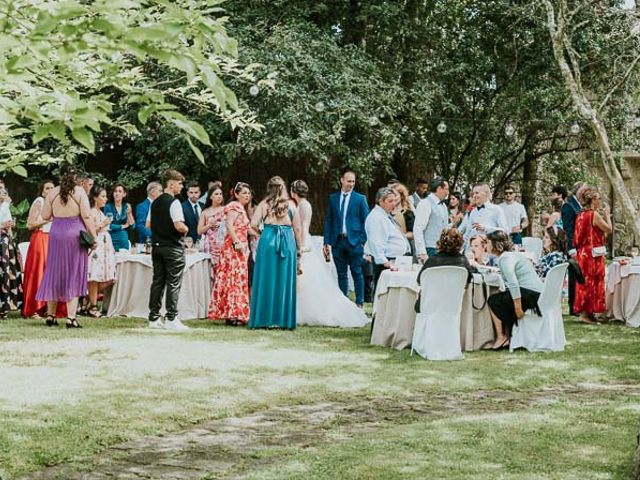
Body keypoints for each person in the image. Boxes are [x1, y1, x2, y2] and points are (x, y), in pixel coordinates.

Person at [290, 180, 368, 327]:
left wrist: (300, 244)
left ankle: (307, 310)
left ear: (293, 191)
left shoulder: (303, 205)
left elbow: (303, 227)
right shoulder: (301, 204)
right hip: (303, 239)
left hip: (303, 240)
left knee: (305, 276)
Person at [36, 165, 96, 328]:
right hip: (75, 234)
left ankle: (50, 316)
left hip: (56, 233)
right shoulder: (79, 192)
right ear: (75, 177)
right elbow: (86, 216)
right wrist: (94, 237)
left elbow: (45, 215)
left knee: (54, 272)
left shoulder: (52, 192)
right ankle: (71, 318)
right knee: (73, 273)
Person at [249, 177, 302, 330]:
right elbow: (297, 229)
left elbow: (252, 224)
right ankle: (283, 320)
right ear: (283, 188)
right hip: (287, 241)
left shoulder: (263, 204)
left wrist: (262, 234)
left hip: (268, 239)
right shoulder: (291, 205)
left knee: (266, 279)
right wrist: (299, 249)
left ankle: (263, 319)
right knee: (284, 280)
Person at [147, 170, 190, 331]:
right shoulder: (174, 202)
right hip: (173, 248)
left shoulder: (154, 202)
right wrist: (186, 229)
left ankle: (153, 317)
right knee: (173, 282)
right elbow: (178, 225)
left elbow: (148, 224)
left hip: (157, 247)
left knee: (158, 281)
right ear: (171, 183)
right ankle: (171, 318)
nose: (181, 186)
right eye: (179, 183)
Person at [486, 231, 543, 350]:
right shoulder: (512, 255)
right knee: (503, 298)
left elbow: (513, 283)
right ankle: (509, 336)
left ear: (496, 245)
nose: (486, 245)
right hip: (538, 294)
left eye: (488, 242)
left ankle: (501, 336)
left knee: (493, 300)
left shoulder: (505, 259)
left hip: (530, 295)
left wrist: (518, 307)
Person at [323, 169, 369, 307]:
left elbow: (366, 221)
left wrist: (362, 241)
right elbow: (329, 220)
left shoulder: (360, 199)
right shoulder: (333, 198)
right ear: (341, 180)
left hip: (354, 241)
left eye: (353, 181)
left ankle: (359, 302)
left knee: (357, 272)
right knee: (341, 273)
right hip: (338, 241)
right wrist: (327, 241)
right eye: (349, 181)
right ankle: (343, 302)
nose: (351, 184)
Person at [22, 180, 67, 319]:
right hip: (40, 238)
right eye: (47, 188)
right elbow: (30, 224)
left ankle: (49, 308)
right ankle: (34, 308)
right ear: (42, 191)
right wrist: (47, 220)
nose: (50, 190)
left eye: (53, 188)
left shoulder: (57, 204)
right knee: (39, 273)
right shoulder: (39, 201)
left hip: (54, 240)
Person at [209, 182, 252, 325]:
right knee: (233, 279)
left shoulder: (242, 208)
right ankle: (232, 314)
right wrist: (236, 242)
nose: (247, 195)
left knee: (238, 279)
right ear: (236, 194)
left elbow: (246, 228)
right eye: (244, 193)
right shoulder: (234, 206)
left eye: (248, 193)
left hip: (241, 247)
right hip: (233, 248)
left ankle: (236, 313)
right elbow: (229, 225)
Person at [573, 185, 612, 324]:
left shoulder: (580, 215)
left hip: (582, 253)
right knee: (593, 283)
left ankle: (588, 313)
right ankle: (585, 315)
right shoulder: (593, 215)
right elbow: (609, 229)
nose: (600, 201)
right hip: (592, 255)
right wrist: (607, 215)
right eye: (598, 198)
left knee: (584, 283)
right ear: (593, 200)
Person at [365, 187, 411, 290]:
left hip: (393, 260)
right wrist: (386, 262)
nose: (393, 204)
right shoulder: (376, 217)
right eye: (390, 201)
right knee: (382, 292)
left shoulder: (384, 215)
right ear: (381, 201)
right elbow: (377, 243)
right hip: (386, 262)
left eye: (394, 201)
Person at [416, 228, 474, 303]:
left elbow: (419, 281)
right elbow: (466, 285)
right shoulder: (464, 262)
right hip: (452, 308)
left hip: (430, 306)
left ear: (440, 242)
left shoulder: (432, 261)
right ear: (460, 243)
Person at [86, 185, 116, 317]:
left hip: (106, 244)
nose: (105, 199)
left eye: (105, 196)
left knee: (109, 277)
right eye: (102, 196)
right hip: (97, 244)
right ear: (95, 198)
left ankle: (87, 300)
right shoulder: (91, 212)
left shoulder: (101, 212)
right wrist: (102, 225)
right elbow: (89, 231)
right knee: (95, 276)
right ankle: (92, 305)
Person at [459, 182, 509, 248]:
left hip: (489, 253)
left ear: (486, 193)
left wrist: (486, 228)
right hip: (471, 252)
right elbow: (467, 234)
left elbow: (505, 231)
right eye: (473, 194)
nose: (474, 196)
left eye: (477, 193)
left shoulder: (496, 210)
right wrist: (460, 250)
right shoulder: (473, 212)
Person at [413, 176, 450, 263]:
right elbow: (418, 228)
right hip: (428, 248)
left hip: (441, 250)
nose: (448, 192)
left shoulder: (443, 206)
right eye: (446, 189)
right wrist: (422, 252)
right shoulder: (425, 203)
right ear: (439, 188)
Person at [0, 184, 23, 318]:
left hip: (5, 243)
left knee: (6, 273)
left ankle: (5, 306)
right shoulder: (4, 206)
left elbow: (8, 225)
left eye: (4, 189)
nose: (3, 191)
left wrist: (9, 227)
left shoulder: (5, 206)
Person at [561, 181, 583, 316]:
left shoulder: (580, 205)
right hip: (573, 246)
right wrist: (572, 248)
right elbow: (569, 229)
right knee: (574, 276)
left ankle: (579, 304)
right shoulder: (568, 206)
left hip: (582, 245)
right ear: (578, 191)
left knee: (579, 276)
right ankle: (572, 306)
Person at [197, 184, 225, 268]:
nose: (219, 196)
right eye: (216, 194)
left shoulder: (226, 209)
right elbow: (199, 231)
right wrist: (209, 225)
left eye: (220, 194)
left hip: (223, 243)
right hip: (210, 244)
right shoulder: (205, 212)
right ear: (210, 197)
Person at [104, 184, 134, 251]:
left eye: (120, 191)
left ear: (124, 194)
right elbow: (108, 225)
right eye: (115, 191)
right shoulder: (108, 206)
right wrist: (123, 226)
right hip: (112, 240)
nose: (117, 193)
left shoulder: (126, 206)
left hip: (124, 240)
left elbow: (132, 226)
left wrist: (129, 214)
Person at [135, 181, 162, 246]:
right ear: (152, 192)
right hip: (146, 243)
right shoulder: (142, 207)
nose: (162, 193)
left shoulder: (161, 205)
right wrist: (157, 235)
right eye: (160, 191)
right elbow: (140, 226)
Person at [391, 182, 415, 251]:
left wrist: (399, 236)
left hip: (404, 249)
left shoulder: (408, 213)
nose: (393, 198)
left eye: (395, 195)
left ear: (401, 196)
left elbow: (413, 233)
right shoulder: (386, 213)